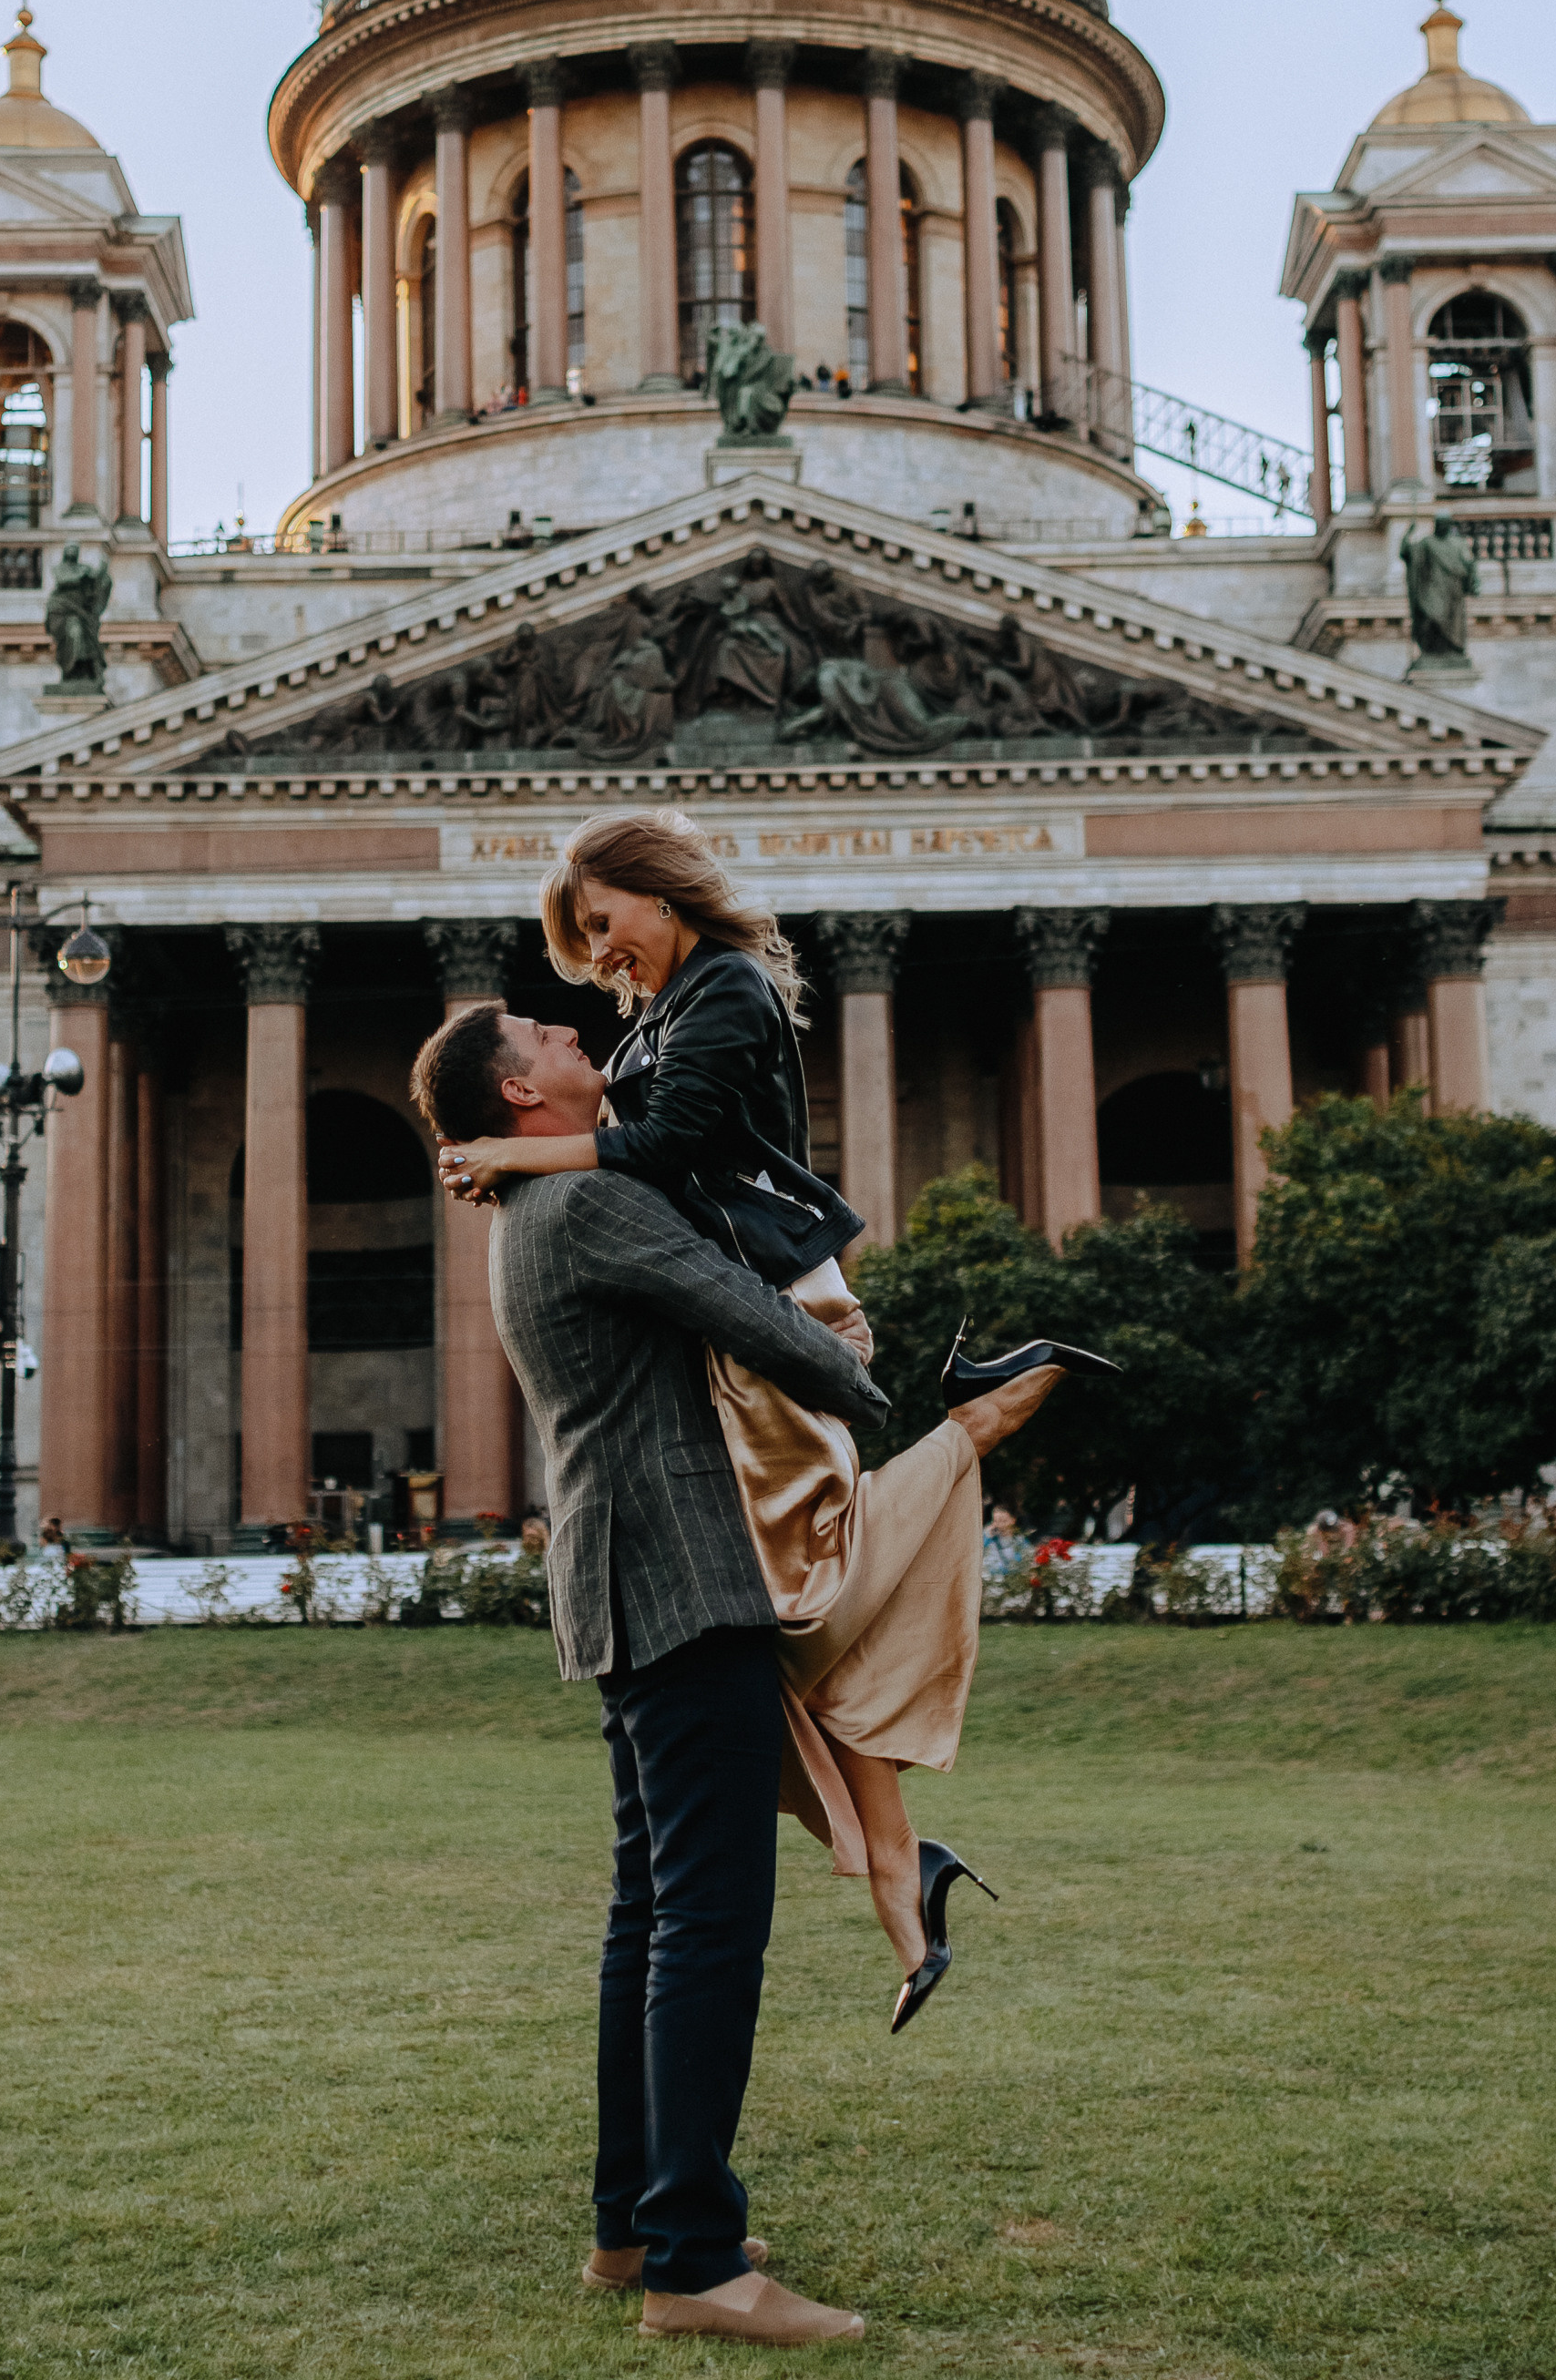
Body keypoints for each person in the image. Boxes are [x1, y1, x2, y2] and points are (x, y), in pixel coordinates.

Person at [411, 1000, 1061, 2348]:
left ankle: (630, 2226)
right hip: (686, 1580)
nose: (569, 1029)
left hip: (626, 1582)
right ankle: (696, 2267)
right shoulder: (588, 1211)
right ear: (521, 1098)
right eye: (541, 1033)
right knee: (706, 1927)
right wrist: (858, 1377)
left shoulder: (534, 1211)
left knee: (649, 1919)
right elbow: (756, 1320)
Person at [435, 808, 1081, 1993]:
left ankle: (972, 1424)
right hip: (745, 1310)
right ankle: (900, 1869)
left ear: (659, 894)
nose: (592, 957)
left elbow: (672, 1149)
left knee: (784, 1605)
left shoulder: (725, 990)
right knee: (775, 1622)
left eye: (601, 923)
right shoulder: (661, 1014)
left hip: (788, 1306)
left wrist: (519, 1154)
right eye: (578, 940)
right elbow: (644, 1164)